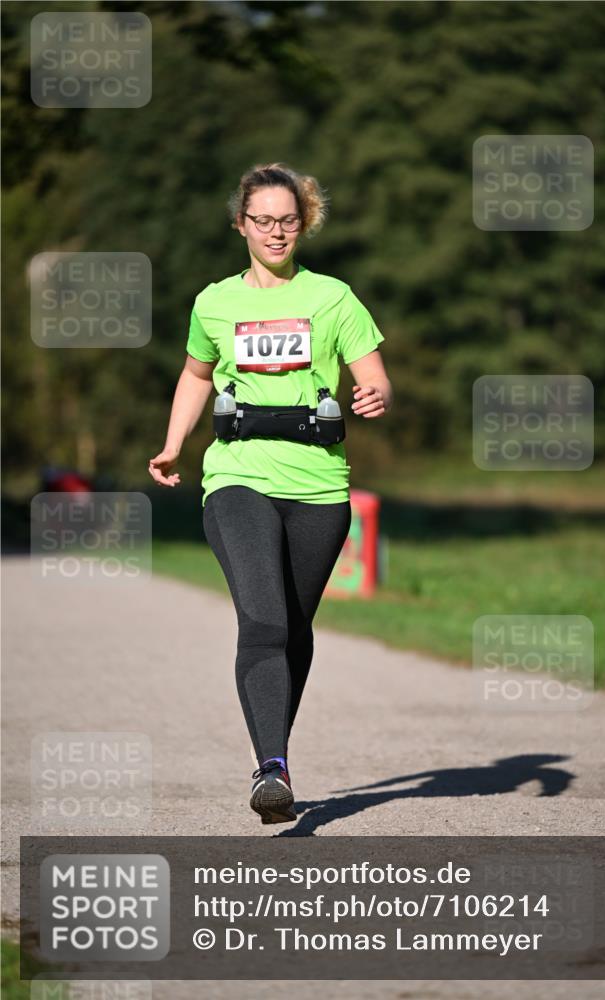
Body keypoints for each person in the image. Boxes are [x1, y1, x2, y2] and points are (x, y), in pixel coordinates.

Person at [148, 162, 392, 824]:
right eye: (263, 220)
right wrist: (174, 442)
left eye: (288, 220)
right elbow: (196, 375)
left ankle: (273, 746)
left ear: (303, 223)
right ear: (241, 225)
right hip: (237, 475)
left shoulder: (333, 298)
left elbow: (371, 373)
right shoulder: (214, 302)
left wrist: (374, 392)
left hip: (318, 483)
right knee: (263, 619)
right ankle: (272, 768)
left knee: (293, 625)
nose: (276, 231)